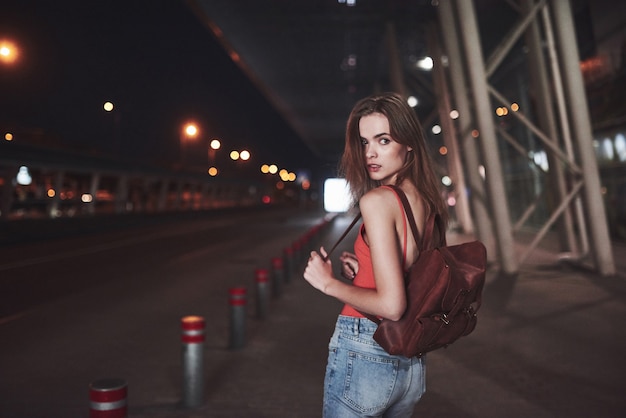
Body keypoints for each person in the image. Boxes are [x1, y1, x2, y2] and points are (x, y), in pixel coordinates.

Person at [303, 92, 448, 417]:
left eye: (383, 140)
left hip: (366, 346)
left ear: (408, 142)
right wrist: (363, 272)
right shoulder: (424, 199)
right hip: (410, 361)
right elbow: (410, 273)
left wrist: (328, 284)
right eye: (364, 141)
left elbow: (392, 306)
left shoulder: (378, 201)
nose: (370, 153)